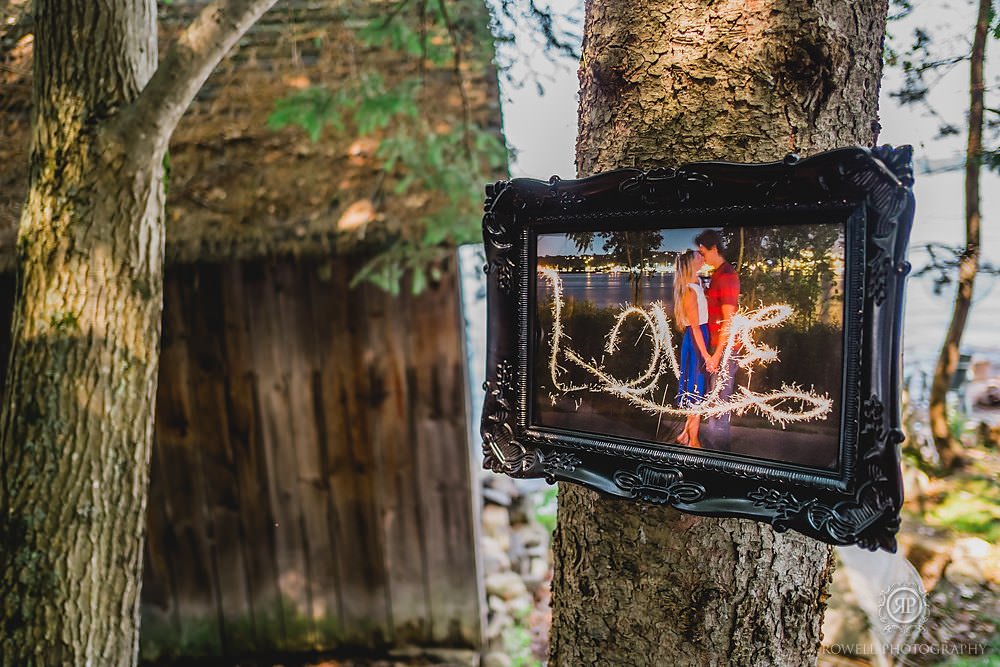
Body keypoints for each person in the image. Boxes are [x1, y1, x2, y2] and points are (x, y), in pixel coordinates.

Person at [695, 229, 740, 451]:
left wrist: (717, 353)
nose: (702, 257)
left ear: (713, 248)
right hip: (719, 345)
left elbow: (728, 320)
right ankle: (714, 444)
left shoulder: (727, 276)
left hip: (726, 348)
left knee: (720, 397)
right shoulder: (718, 275)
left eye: (703, 252)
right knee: (715, 395)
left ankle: (718, 450)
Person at [672, 250, 711, 448]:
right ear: (690, 264)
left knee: (695, 387)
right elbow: (695, 327)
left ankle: (685, 435)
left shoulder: (697, 285)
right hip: (697, 340)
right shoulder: (690, 291)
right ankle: (693, 440)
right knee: (696, 389)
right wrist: (706, 355)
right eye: (698, 256)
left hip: (699, 336)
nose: (701, 257)